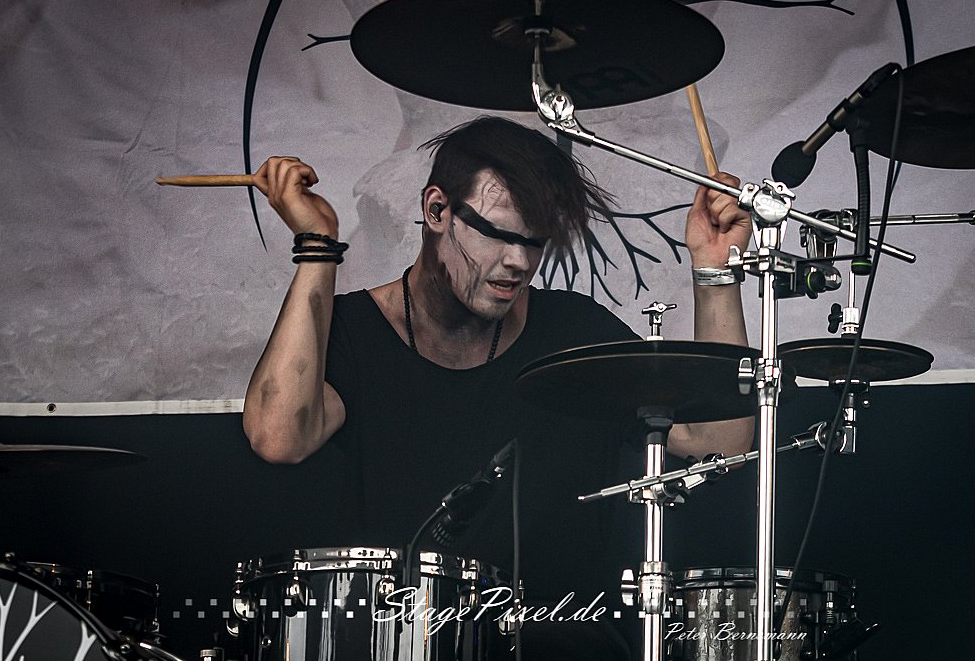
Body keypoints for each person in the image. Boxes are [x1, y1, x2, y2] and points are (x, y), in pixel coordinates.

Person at [243, 116, 753, 659]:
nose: (519, 262)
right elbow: (278, 438)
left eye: (534, 242)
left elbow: (717, 442)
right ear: (436, 210)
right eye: (498, 234)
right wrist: (318, 246)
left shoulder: (574, 332)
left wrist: (716, 270)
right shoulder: (353, 331)